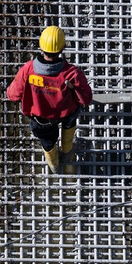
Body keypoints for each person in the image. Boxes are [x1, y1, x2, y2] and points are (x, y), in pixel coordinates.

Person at [6, 26, 93, 173]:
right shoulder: (72, 73)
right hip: (66, 114)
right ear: (62, 48)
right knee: (69, 126)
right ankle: (66, 152)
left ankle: (54, 166)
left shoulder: (28, 70)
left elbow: (12, 95)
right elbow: (86, 99)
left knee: (48, 143)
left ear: (41, 47)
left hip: (41, 119)